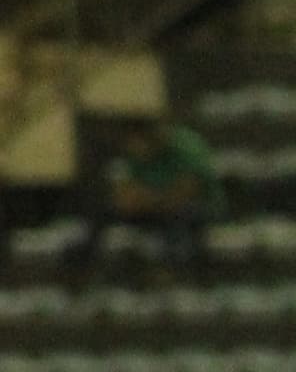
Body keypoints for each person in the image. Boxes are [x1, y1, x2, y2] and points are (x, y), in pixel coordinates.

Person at [63, 114, 223, 286]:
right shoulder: (131, 153)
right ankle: (81, 270)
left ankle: (179, 274)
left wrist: (150, 198)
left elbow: (188, 190)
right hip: (152, 208)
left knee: (181, 218)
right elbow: (122, 193)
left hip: (195, 208)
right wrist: (144, 199)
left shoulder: (185, 145)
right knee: (102, 213)